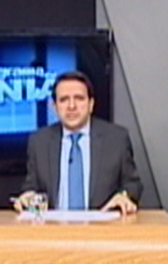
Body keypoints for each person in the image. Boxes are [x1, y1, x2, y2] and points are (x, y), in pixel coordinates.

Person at [13, 70, 142, 213]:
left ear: (91, 104)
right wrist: (28, 197)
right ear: (54, 106)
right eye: (64, 100)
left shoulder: (116, 138)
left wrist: (124, 196)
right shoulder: (39, 141)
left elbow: (133, 184)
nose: (71, 106)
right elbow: (31, 187)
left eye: (79, 98)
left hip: (102, 224)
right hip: (53, 225)